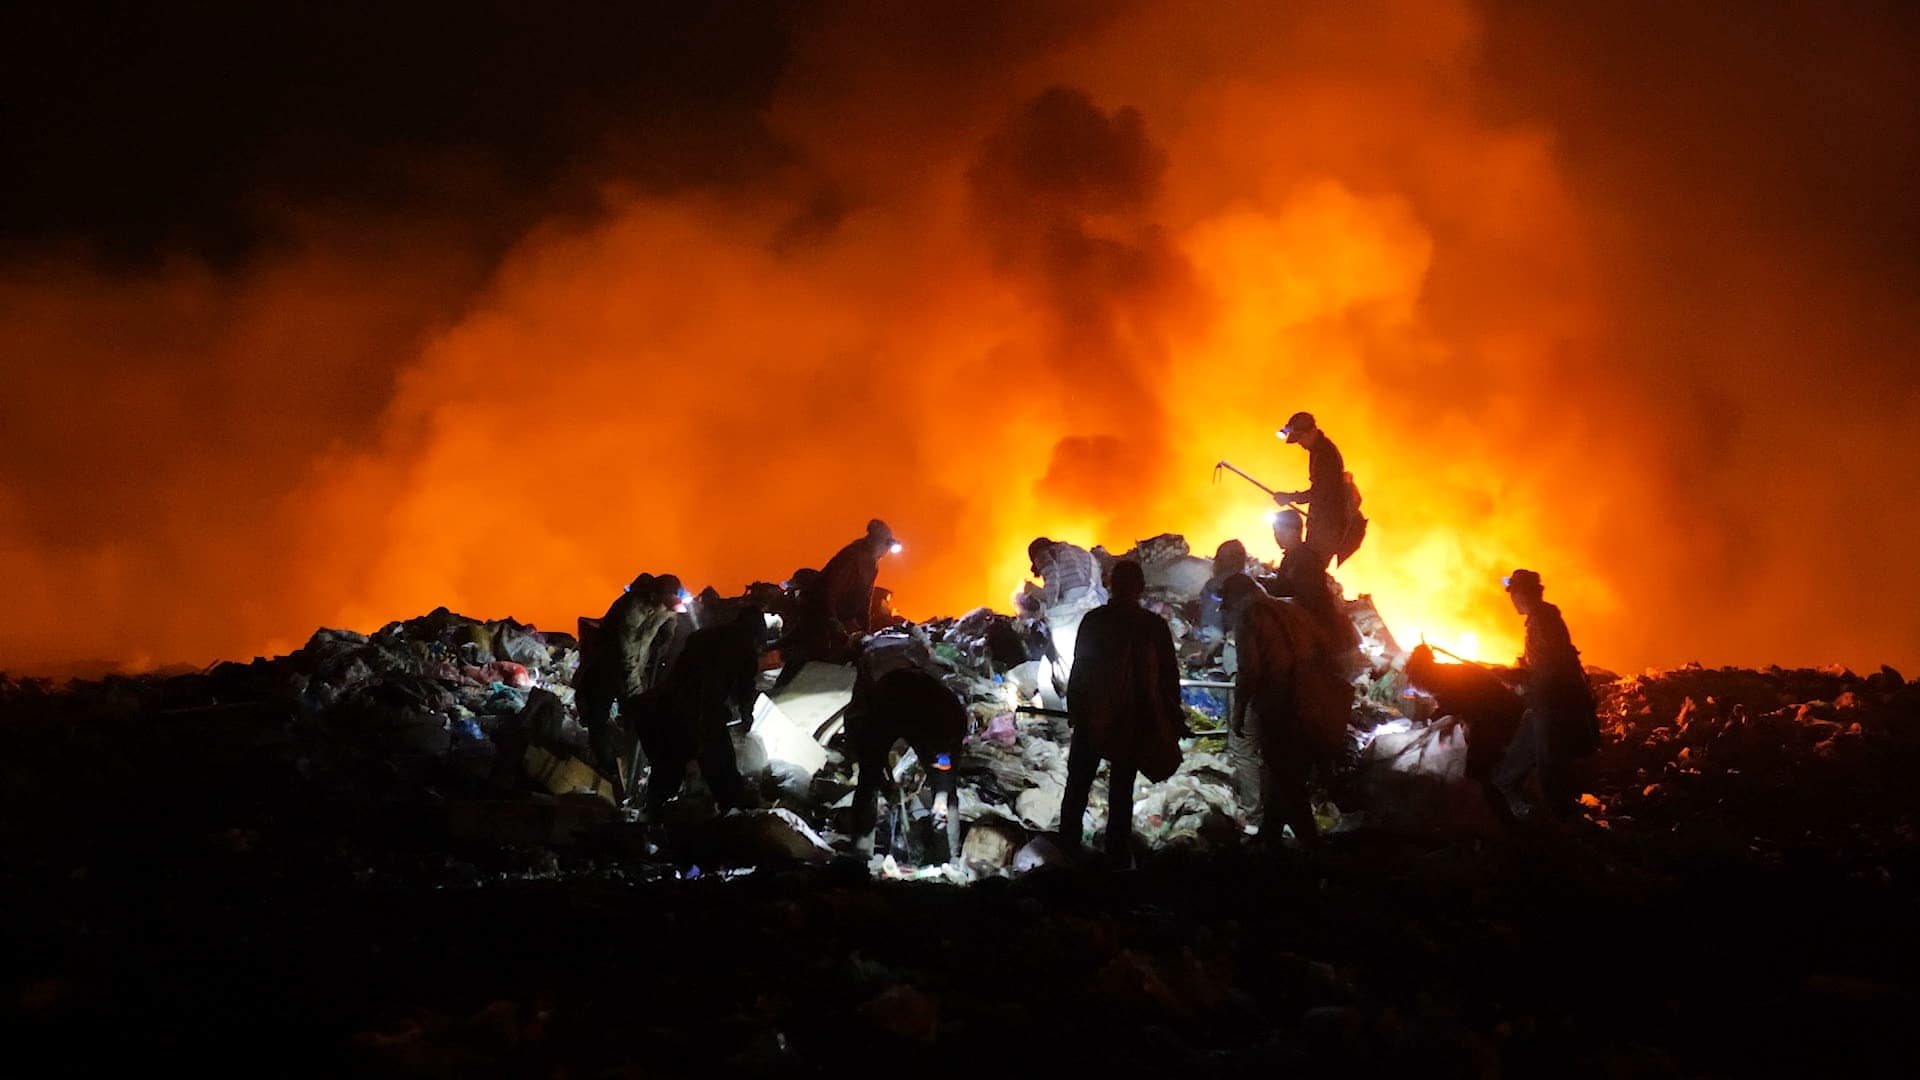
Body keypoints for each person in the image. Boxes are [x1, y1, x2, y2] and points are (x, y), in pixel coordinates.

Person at [1059, 560, 1185, 863]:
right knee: (1121, 788)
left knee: (1078, 782)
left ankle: (1067, 848)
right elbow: (1169, 676)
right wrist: (1170, 717)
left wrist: (1075, 709)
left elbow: (1080, 668)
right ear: (1141, 587)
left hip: (1093, 714)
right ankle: (1116, 853)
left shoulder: (1094, 621)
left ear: (1111, 585)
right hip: (1133, 718)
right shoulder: (1152, 625)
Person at [1221, 574, 1352, 847]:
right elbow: (1328, 647)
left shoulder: (1249, 615)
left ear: (1235, 597)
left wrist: (1239, 711)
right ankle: (1270, 838)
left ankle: (1312, 847)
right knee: (1284, 773)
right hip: (1311, 703)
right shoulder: (1293, 608)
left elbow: (1250, 670)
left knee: (1286, 779)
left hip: (1279, 705)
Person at [634, 605, 765, 815]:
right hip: (700, 714)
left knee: (667, 769)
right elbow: (745, 688)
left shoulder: (703, 636)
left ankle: (653, 818)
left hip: (664, 708)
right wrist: (746, 714)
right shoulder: (745, 645)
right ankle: (734, 819)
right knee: (722, 770)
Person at [1493, 569, 1600, 822]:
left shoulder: (1542, 621)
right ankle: (1529, 809)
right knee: (1516, 765)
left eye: (1515, 594)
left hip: (1551, 704)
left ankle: (1561, 822)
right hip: (1545, 703)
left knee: (1548, 765)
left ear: (1525, 594)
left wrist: (1517, 677)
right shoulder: (1543, 618)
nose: (1513, 601)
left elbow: (1550, 667)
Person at [574, 572, 682, 801]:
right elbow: (625, 654)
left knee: (638, 721)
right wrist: (634, 687)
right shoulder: (631, 610)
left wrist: (666, 638)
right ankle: (609, 769)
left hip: (636, 665)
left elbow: (671, 618)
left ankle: (638, 767)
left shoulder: (663, 605)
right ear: (654, 596)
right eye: (665, 603)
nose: (668, 609)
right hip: (606, 668)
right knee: (597, 718)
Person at [844, 665, 968, 862]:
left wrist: (941, 797)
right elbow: (871, 756)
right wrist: (886, 784)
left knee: (945, 792)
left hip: (924, 717)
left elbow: (944, 759)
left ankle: (947, 857)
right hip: (882, 715)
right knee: (869, 782)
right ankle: (860, 855)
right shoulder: (874, 713)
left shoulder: (948, 716)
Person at [1404, 643, 1526, 827]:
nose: (1424, 694)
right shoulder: (1449, 674)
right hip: (1504, 715)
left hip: (1501, 719)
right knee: (1480, 768)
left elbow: (1456, 712)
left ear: (1425, 679)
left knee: (1477, 771)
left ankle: (1503, 823)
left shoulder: (1446, 682)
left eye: (1422, 689)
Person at [1275, 411, 1363, 571]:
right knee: (1308, 565)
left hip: (1328, 528)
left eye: (1300, 438)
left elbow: (1321, 493)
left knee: (1311, 569)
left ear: (1311, 431)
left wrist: (1291, 497)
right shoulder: (1317, 451)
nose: (1299, 444)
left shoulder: (1326, 455)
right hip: (1320, 523)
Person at [1023, 536, 1106, 682]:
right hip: (1094, 607)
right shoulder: (1080, 551)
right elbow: (1097, 581)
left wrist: (1043, 601)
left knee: (1071, 657)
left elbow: (1053, 581)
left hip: (1070, 613)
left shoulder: (1044, 554)